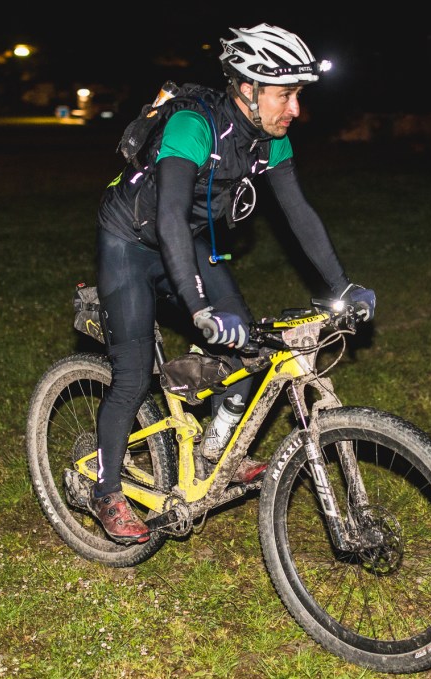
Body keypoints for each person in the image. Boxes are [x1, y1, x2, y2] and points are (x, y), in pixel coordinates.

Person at [84, 23, 376, 544]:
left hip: (188, 240)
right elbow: (171, 218)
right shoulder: (193, 126)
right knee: (132, 375)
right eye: (285, 95)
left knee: (249, 344)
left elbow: (299, 215)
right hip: (131, 240)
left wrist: (342, 287)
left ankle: (217, 452)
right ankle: (105, 491)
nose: (295, 109)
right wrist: (199, 309)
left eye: (298, 95)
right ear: (247, 89)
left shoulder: (269, 141)